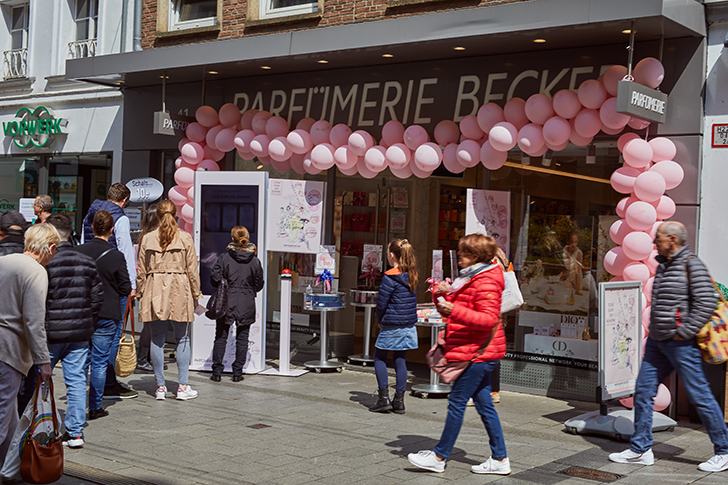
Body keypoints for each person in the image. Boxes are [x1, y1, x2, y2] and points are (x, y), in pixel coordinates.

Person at [609, 221, 728, 473]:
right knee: (643, 392)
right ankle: (641, 449)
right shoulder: (664, 264)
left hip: (681, 344)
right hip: (658, 342)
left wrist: (683, 332)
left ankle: (724, 451)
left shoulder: (692, 264)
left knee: (700, 396)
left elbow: (707, 302)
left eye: (659, 238)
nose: (654, 242)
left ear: (672, 239)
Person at [408, 234, 510, 475]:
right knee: (485, 406)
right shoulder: (470, 277)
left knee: (456, 402)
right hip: (475, 350)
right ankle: (500, 459)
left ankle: (439, 456)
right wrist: (440, 293)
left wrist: (455, 308)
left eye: (464, 252)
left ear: (476, 256)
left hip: (478, 353)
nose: (459, 256)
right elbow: (451, 310)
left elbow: (488, 319)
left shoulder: (486, 280)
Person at [0, 224, 59, 465]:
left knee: (10, 415)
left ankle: (8, 469)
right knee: (3, 414)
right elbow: (34, 322)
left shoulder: (4, 261)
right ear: (50, 247)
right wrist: (43, 361)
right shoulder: (36, 271)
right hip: (9, 350)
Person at [44, 214, 104, 448]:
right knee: (77, 381)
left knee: (40, 379)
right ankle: (75, 432)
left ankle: (40, 427)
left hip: (50, 332)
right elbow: (97, 298)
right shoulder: (86, 261)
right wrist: (86, 318)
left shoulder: (47, 261)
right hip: (79, 332)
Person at [137, 200, 202, 400]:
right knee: (183, 338)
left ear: (157, 216)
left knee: (157, 338)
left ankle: (160, 387)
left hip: (154, 286)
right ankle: (182, 387)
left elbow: (141, 270)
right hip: (179, 287)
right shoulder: (185, 237)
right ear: (176, 216)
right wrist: (196, 293)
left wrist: (140, 292)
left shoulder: (147, 238)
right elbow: (192, 270)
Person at [82, 183, 138, 399]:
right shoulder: (120, 218)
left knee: (91, 332)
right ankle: (108, 382)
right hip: (113, 281)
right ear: (124, 200)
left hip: (91, 280)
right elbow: (125, 251)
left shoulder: (90, 214)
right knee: (113, 334)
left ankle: (93, 381)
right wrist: (132, 285)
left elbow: (84, 242)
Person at [76, 211, 132, 421]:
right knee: (99, 362)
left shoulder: (78, 252)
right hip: (107, 312)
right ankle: (95, 406)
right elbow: (125, 288)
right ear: (111, 230)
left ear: (92, 228)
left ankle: (77, 403)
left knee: (81, 360)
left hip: (82, 313)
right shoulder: (116, 256)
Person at [209, 226, 264, 382]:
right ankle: (237, 373)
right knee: (243, 338)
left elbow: (214, 278)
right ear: (247, 238)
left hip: (226, 301)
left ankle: (217, 372)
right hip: (246, 301)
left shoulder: (224, 257)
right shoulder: (255, 261)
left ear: (232, 239)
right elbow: (259, 285)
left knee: (221, 336)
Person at [369, 238, 418, 414]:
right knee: (400, 360)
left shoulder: (390, 277)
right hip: (408, 325)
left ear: (391, 255)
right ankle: (399, 401)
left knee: (379, 358)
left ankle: (383, 398)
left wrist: (379, 320)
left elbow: (381, 304)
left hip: (392, 324)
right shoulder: (411, 275)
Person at [134, 205, 159, 374]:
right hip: (150, 283)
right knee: (150, 324)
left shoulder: (144, 236)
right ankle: (142, 359)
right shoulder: (149, 238)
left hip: (148, 283)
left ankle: (148, 357)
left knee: (151, 324)